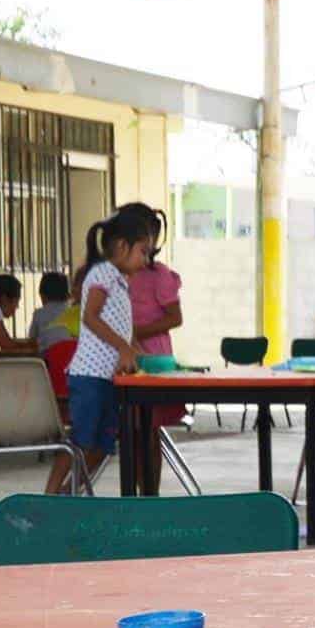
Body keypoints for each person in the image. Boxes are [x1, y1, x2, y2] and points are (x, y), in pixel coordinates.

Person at [46, 209, 153, 494]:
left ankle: (67, 494)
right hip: (90, 376)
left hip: (109, 379)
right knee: (82, 439)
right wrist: (122, 346)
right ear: (121, 246)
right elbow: (90, 317)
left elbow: (121, 326)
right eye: (143, 252)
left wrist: (135, 352)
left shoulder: (121, 281)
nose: (146, 261)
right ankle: (51, 492)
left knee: (104, 445)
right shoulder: (103, 273)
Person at [125, 203, 184, 491]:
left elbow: (175, 318)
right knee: (132, 431)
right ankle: (137, 493)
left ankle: (150, 493)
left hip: (152, 359)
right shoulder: (115, 273)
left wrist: (135, 331)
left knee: (148, 431)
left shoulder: (159, 275)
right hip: (124, 358)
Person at [29, 272, 75, 354]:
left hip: (48, 360)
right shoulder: (73, 312)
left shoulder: (39, 314)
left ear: (42, 295)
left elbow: (32, 340)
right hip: (71, 359)